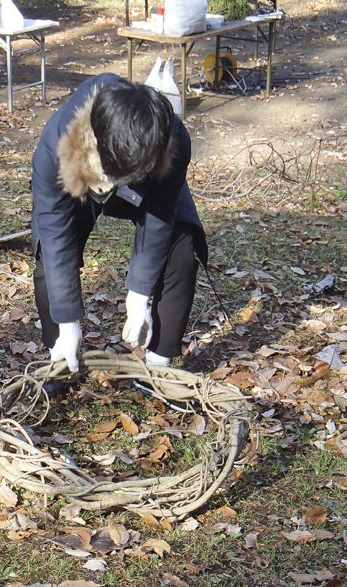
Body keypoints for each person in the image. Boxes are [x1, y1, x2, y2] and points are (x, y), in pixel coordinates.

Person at [31, 73, 208, 375]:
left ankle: (159, 366)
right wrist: (68, 321)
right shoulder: (55, 147)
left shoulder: (173, 140)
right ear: (98, 140)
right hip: (80, 178)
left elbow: (159, 217)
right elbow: (55, 233)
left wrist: (139, 296)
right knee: (48, 260)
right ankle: (60, 358)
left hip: (149, 188)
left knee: (180, 251)